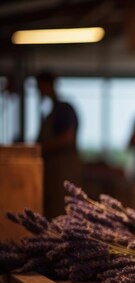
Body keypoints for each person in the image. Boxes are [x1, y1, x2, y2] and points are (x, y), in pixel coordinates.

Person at [35, 71, 82, 218]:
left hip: (63, 170)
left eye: (40, 86)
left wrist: (40, 149)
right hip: (53, 170)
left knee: (62, 211)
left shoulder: (64, 109)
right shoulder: (50, 111)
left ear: (47, 85)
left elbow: (68, 138)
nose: (38, 90)